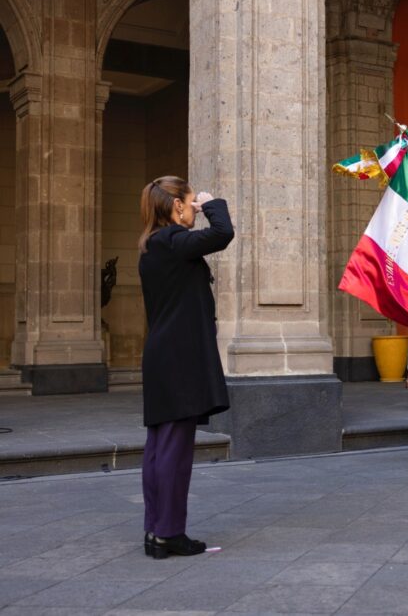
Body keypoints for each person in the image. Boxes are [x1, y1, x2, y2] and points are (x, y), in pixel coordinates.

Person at [138, 176, 234, 558]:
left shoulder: (151, 246)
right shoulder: (173, 241)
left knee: (159, 448)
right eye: (191, 202)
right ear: (177, 205)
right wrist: (212, 203)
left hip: (162, 357)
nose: (195, 209)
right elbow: (223, 233)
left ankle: (155, 530)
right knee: (175, 452)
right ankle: (169, 533)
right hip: (178, 358)